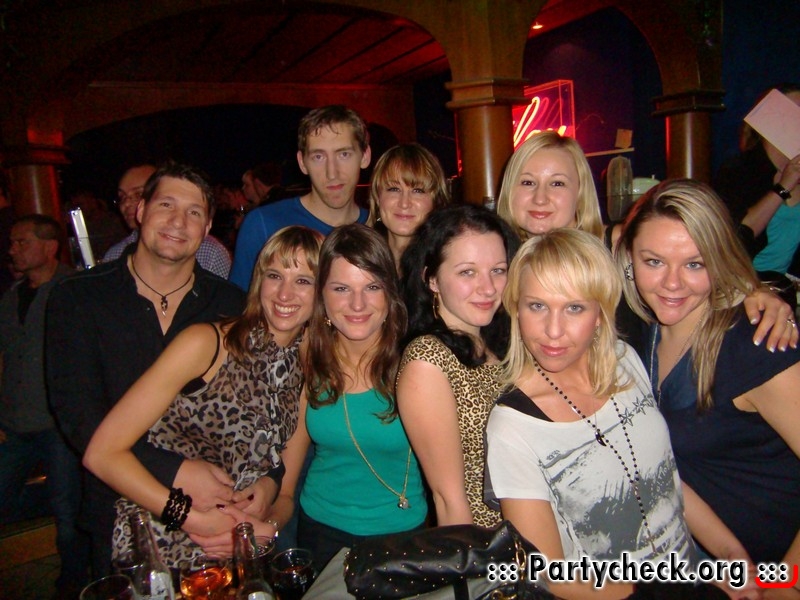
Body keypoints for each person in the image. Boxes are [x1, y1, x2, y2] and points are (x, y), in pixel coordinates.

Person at [486, 228, 755, 600]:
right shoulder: (514, 426)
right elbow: (547, 574)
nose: (553, 330)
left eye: (574, 308)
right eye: (537, 306)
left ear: (600, 313)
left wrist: (730, 552)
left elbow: (663, 479)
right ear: (516, 309)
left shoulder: (625, 362)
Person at [47, 161, 247, 578]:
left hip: (214, 516)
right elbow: (80, 419)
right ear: (140, 211)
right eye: (166, 205)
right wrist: (175, 471)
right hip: (118, 513)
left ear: (208, 226)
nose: (178, 221)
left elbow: (251, 410)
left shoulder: (231, 304)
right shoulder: (78, 298)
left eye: (194, 212)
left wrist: (267, 488)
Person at [83, 226, 323, 567]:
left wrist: (265, 526)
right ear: (259, 281)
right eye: (275, 276)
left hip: (233, 553)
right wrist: (192, 519)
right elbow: (101, 454)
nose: (285, 293)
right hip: (162, 543)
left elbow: (285, 494)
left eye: (303, 280)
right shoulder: (207, 344)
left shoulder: (305, 372)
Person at [616, 179, 800, 565]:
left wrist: (790, 581)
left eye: (694, 264)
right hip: (703, 561)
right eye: (653, 262)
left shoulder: (756, 344)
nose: (672, 283)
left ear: (717, 262)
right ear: (629, 257)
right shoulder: (640, 333)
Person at [496, 130, 798, 354]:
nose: (540, 197)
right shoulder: (500, 265)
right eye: (527, 182)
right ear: (510, 190)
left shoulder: (618, 244)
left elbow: (709, 260)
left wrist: (756, 292)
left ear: (580, 192)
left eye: (557, 183)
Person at [267, 223, 426, 569]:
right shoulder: (309, 355)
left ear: (390, 293)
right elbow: (286, 486)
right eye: (341, 288)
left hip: (403, 536)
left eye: (372, 287)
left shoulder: (417, 361)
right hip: (320, 533)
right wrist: (268, 525)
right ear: (322, 295)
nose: (357, 304)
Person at [396, 205, 520, 527]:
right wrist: (474, 557)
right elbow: (449, 500)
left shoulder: (498, 343)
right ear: (432, 279)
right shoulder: (427, 360)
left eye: (498, 270)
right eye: (467, 272)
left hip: (527, 529)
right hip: (488, 540)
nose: (488, 288)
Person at [0, 215, 89, 596]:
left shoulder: (74, 289)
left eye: (22, 242)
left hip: (58, 424)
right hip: (16, 421)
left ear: (50, 247)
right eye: (13, 243)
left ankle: (73, 583)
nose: (13, 250)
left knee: (66, 511)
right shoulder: (11, 296)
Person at [229, 105, 372, 291]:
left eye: (344, 154)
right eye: (318, 157)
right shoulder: (263, 225)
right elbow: (238, 305)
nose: (332, 173)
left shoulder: (379, 229)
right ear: (302, 163)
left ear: (365, 156)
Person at [714, 84, 800, 308]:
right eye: (792, 112)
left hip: (784, 289)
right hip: (740, 289)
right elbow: (737, 237)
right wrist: (783, 186)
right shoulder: (738, 171)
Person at [105, 164, 233, 278]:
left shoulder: (211, 255)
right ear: (142, 210)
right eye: (122, 197)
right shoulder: (114, 257)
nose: (127, 204)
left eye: (138, 194)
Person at [366, 143, 450, 266]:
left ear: (436, 201)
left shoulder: (447, 262)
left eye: (418, 191)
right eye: (394, 189)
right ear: (377, 197)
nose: (404, 203)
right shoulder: (358, 259)